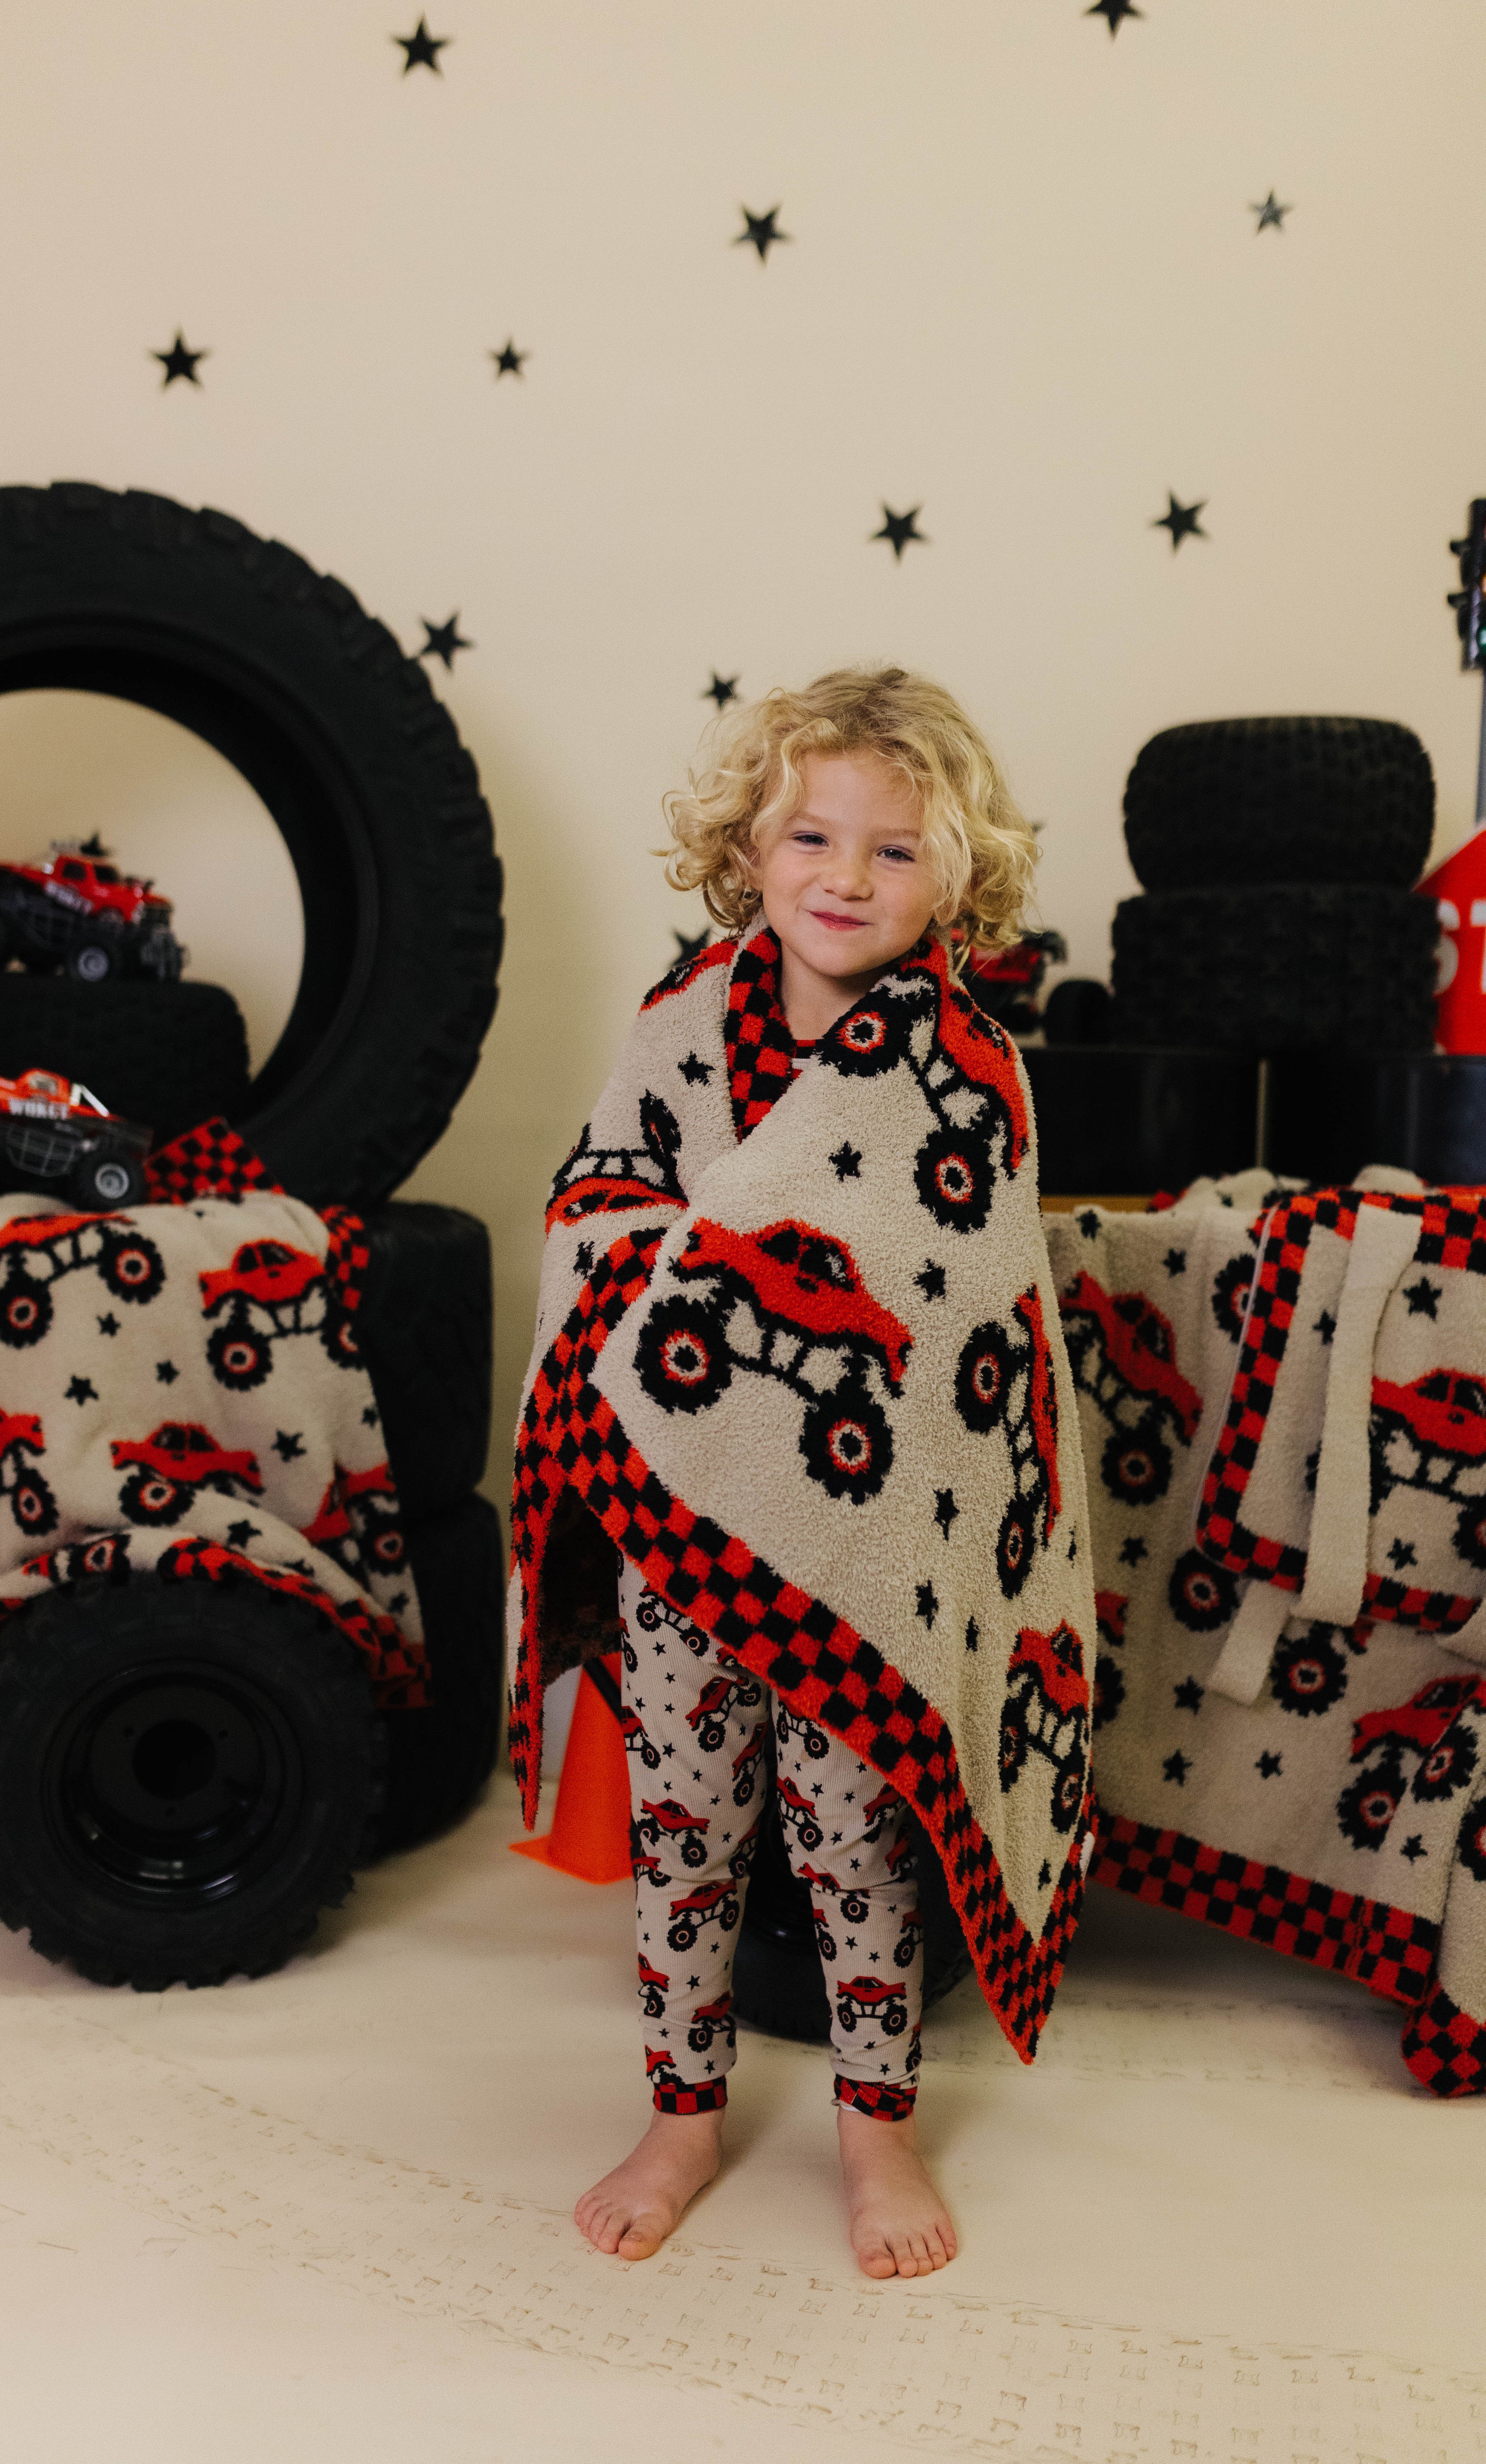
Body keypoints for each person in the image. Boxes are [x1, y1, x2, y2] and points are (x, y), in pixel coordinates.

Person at [509, 667, 1096, 2282]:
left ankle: (873, 2125)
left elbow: (964, 1323)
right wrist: (699, 1263)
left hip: (861, 1551)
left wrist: (734, 1259)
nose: (845, 876)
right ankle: (683, 2113)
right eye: (811, 837)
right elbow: (598, 1211)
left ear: (956, 876)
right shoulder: (681, 1024)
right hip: (679, 1522)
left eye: (894, 851)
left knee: (853, 1836)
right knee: (688, 1825)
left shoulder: (970, 1068)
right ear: (747, 848)